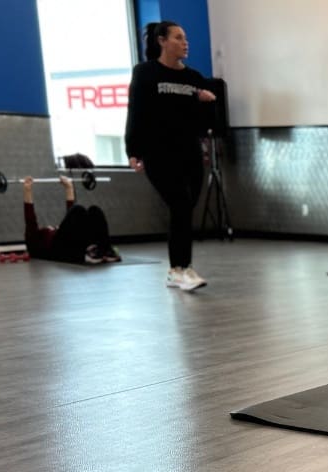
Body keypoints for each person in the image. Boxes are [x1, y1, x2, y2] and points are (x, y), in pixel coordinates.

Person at [125, 20, 216, 292]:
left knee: (186, 208)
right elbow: (135, 113)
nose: (185, 42)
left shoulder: (194, 79)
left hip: (189, 152)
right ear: (162, 41)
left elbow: (203, 125)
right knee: (179, 203)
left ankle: (181, 269)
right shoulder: (145, 73)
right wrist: (133, 150)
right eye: (178, 37)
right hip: (158, 153)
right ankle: (178, 269)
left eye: (185, 38)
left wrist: (208, 104)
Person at [23, 176, 120, 265]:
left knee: (94, 210)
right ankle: (87, 255)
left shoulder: (56, 232)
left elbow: (71, 222)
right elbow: (30, 220)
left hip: (76, 243)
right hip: (59, 249)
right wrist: (27, 190)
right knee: (78, 210)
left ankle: (106, 250)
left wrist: (69, 187)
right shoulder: (35, 241)